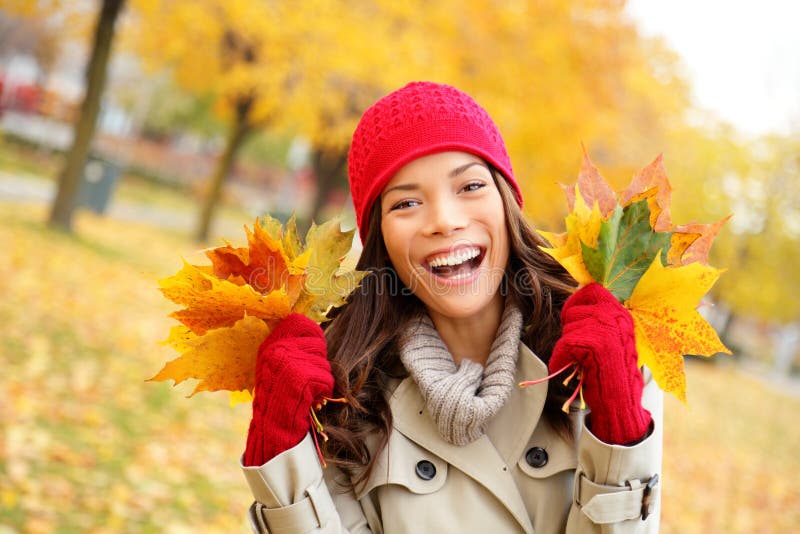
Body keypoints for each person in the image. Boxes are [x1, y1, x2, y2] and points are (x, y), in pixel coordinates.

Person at [240, 81, 663, 533]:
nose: (444, 220)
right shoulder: (346, 393)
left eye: (471, 185)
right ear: (380, 238)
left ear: (506, 202)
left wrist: (618, 427)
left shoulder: (606, 356)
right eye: (406, 202)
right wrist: (281, 462)